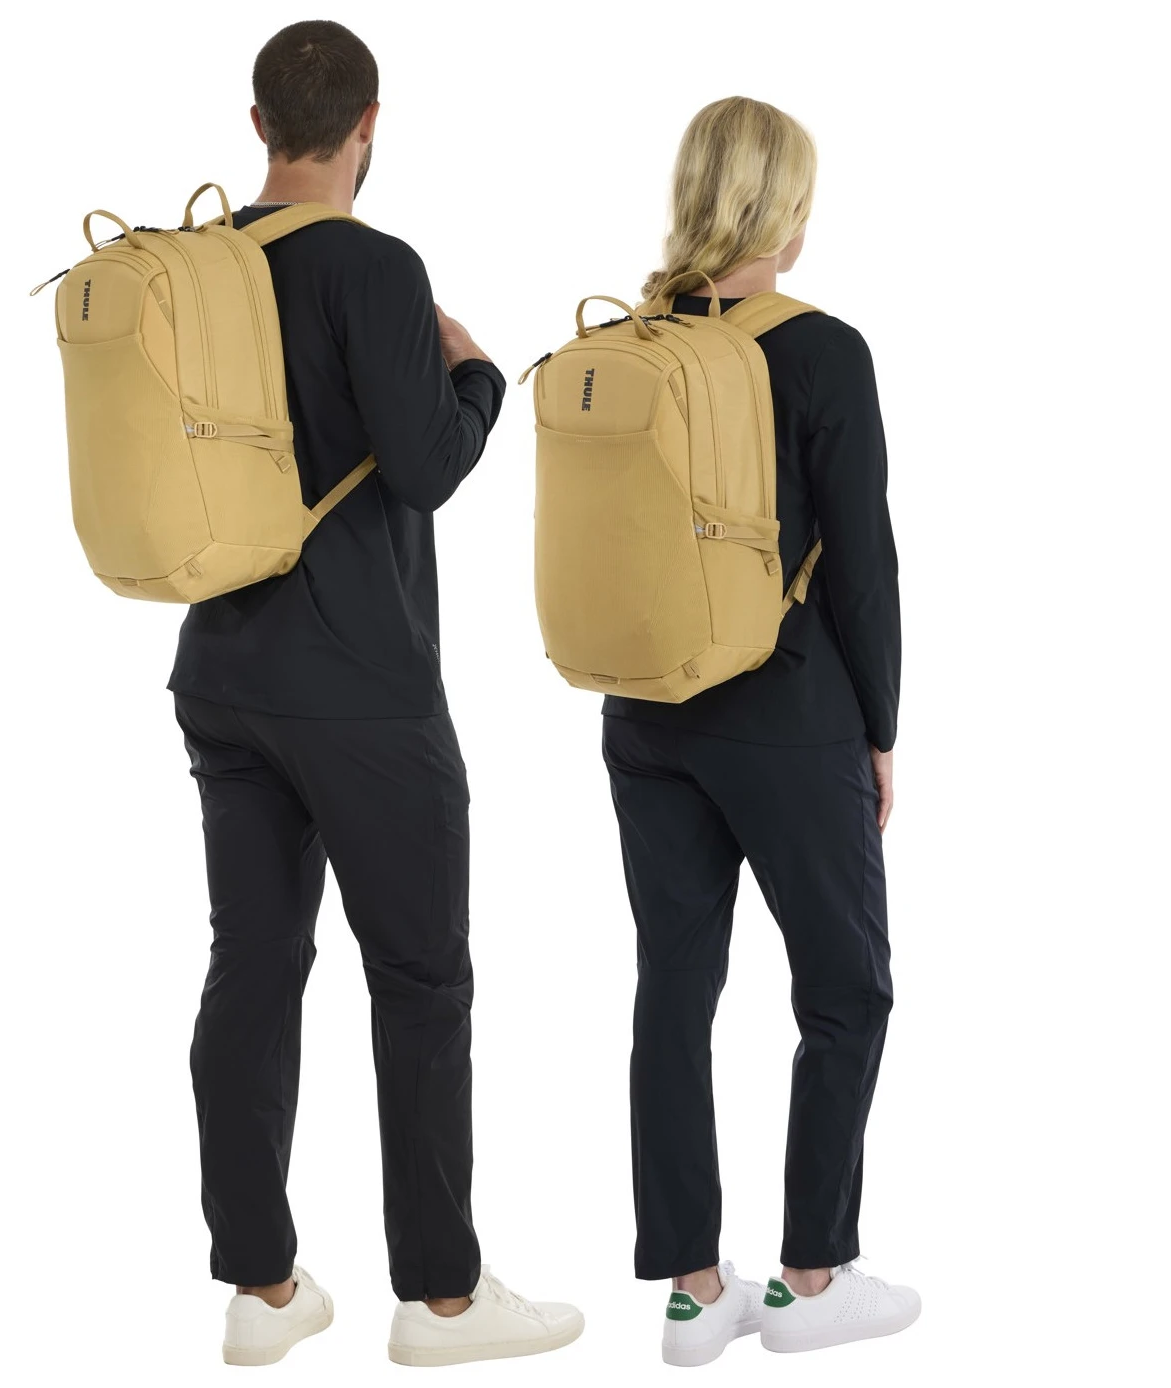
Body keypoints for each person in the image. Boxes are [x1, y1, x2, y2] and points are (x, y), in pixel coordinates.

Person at [168, 20, 582, 1370]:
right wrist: (475, 374)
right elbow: (427, 468)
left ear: (255, 125)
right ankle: (443, 1301)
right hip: (362, 689)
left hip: (222, 675)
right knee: (419, 980)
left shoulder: (199, 263)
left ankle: (262, 1288)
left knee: (253, 965)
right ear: (370, 125)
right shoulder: (376, 266)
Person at [598, 96, 919, 1364]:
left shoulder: (628, 342)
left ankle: (693, 1292)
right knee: (843, 988)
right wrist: (878, 726)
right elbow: (863, 566)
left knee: (673, 989)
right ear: (784, 207)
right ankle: (809, 1275)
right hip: (788, 716)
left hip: (644, 708)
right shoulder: (822, 349)